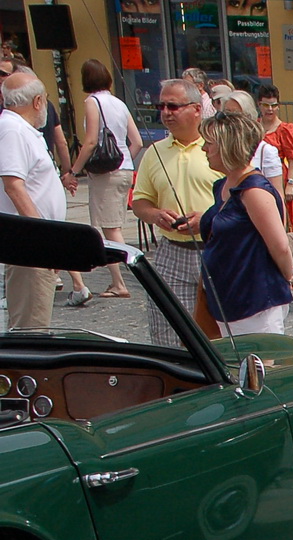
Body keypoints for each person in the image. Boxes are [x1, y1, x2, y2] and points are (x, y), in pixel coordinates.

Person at [131, 78, 218, 342]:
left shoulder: (216, 148)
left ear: (196, 109)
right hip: (172, 252)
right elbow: (139, 203)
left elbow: (240, 200)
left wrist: (207, 219)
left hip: (214, 250)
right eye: (161, 106)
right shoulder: (154, 152)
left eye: (173, 106)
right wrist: (155, 215)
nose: (165, 112)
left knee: (217, 336)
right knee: (167, 332)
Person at [196, 111, 293, 334]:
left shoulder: (254, 190)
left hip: (255, 301)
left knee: (259, 365)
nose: (204, 149)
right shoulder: (223, 185)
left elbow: (279, 246)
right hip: (226, 298)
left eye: (209, 143)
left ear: (228, 146)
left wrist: (289, 276)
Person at [68, 59, 142, 300]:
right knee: (114, 224)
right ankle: (118, 279)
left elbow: (90, 142)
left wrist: (74, 170)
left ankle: (119, 282)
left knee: (110, 227)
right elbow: (137, 141)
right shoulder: (119, 102)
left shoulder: (93, 102)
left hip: (106, 173)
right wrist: (124, 162)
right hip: (124, 169)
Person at [1, 71, 67, 329]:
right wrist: (44, 238)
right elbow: (14, 187)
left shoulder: (19, 129)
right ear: (38, 102)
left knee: (35, 321)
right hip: (30, 244)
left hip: (33, 242)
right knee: (31, 326)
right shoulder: (13, 130)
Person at [255, 86, 293, 226]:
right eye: (266, 105)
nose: (270, 109)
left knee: (280, 219)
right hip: (256, 173)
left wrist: (290, 184)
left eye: (274, 105)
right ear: (259, 105)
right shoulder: (253, 127)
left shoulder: (286, 129)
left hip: (278, 176)